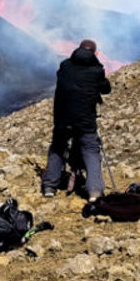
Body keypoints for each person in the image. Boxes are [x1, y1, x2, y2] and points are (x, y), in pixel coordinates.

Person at [41, 39, 111, 200]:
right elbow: (106, 89)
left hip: (62, 118)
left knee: (58, 147)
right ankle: (94, 191)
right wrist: (97, 65)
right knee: (91, 150)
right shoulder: (96, 71)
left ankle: (49, 187)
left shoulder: (65, 66)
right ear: (95, 53)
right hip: (85, 121)